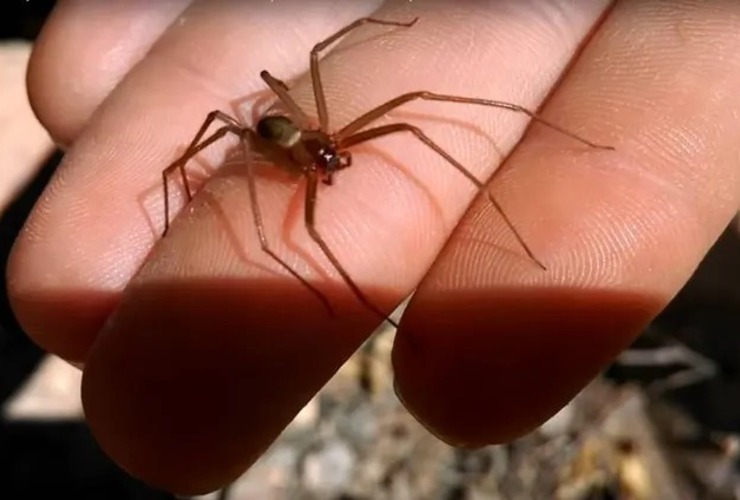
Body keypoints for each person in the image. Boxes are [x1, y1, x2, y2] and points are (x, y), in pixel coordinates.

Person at [7, 2, 740, 496]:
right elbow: (272, 223)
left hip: (303, 128)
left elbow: (348, 68)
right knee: (296, 226)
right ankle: (384, 322)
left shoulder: (332, 133)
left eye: (329, 154)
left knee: (414, 115)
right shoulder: (288, 161)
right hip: (275, 141)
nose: (334, 165)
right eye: (325, 159)